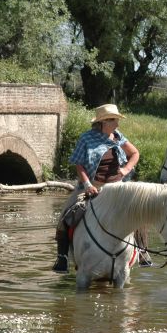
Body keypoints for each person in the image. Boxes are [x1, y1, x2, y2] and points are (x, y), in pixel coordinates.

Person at [52, 104, 141, 273]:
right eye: (114, 120)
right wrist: (87, 185)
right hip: (92, 186)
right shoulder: (86, 138)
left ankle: (142, 252)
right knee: (66, 216)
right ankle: (62, 258)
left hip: (117, 187)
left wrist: (126, 169)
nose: (117, 124)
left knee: (137, 212)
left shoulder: (118, 136)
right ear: (103, 122)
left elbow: (135, 153)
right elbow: (78, 164)